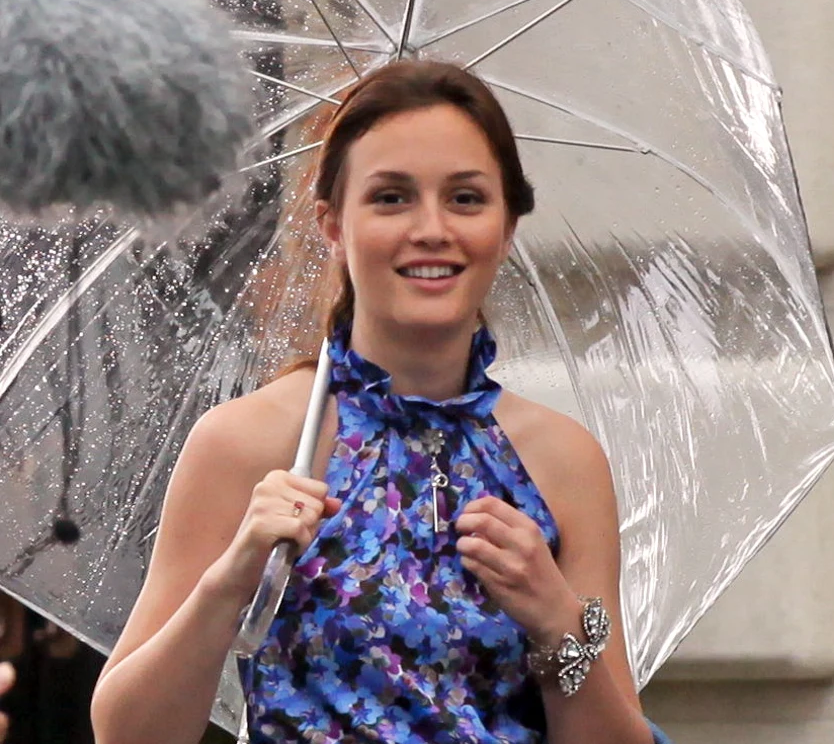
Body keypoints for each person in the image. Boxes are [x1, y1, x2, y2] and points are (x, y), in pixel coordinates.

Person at [91, 61, 668, 744]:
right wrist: (228, 584)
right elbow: (127, 733)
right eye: (392, 197)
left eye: (466, 198)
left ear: (507, 225)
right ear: (333, 224)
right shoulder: (248, 441)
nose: (431, 228)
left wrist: (557, 622)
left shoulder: (563, 461)